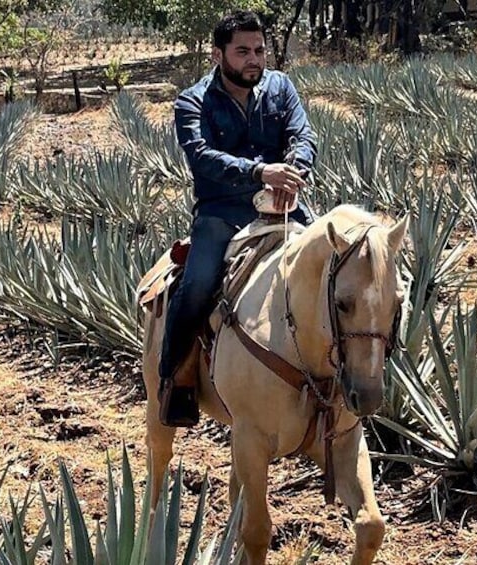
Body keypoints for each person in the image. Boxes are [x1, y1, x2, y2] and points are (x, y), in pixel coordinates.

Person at [158, 10, 318, 427]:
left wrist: (294, 171)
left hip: (284, 205)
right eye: (243, 51)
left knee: (334, 268)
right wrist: (260, 172)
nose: (254, 59)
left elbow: (303, 136)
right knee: (195, 287)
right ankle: (175, 381)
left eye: (260, 50)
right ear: (218, 54)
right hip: (221, 211)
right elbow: (202, 156)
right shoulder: (193, 101)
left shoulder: (280, 87)